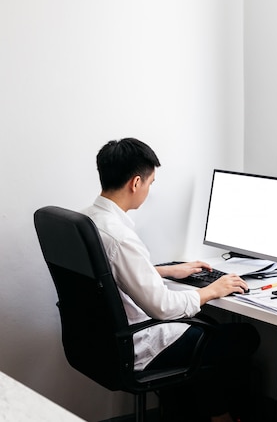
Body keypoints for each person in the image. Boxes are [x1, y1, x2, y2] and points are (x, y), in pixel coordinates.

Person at [83, 137, 260, 422]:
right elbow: (162, 307)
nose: (149, 189)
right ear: (136, 183)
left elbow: (111, 273)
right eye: (151, 183)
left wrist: (165, 271)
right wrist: (212, 290)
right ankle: (224, 417)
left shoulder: (89, 220)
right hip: (137, 344)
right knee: (242, 336)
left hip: (100, 342)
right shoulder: (120, 236)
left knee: (210, 331)